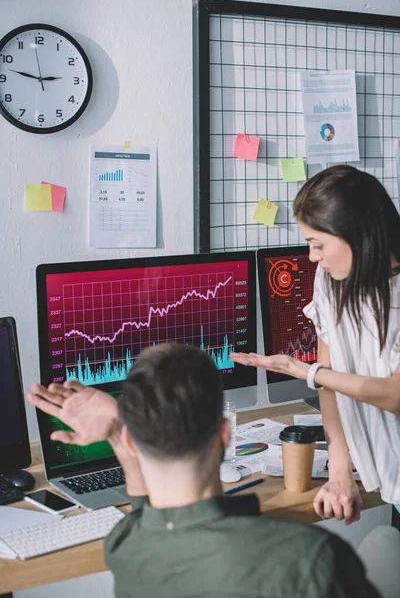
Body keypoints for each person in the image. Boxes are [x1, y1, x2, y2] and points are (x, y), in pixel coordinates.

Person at [27, 342, 382, 598]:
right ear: (225, 434)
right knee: (384, 543)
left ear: (132, 443)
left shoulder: (126, 546)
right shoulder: (313, 558)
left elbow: (144, 513)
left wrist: (120, 430)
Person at [231, 165, 400, 526]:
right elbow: (328, 384)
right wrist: (340, 474)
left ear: (356, 235)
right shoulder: (330, 279)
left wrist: (305, 371)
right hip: (389, 481)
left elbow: (394, 395)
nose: (311, 257)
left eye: (318, 244)